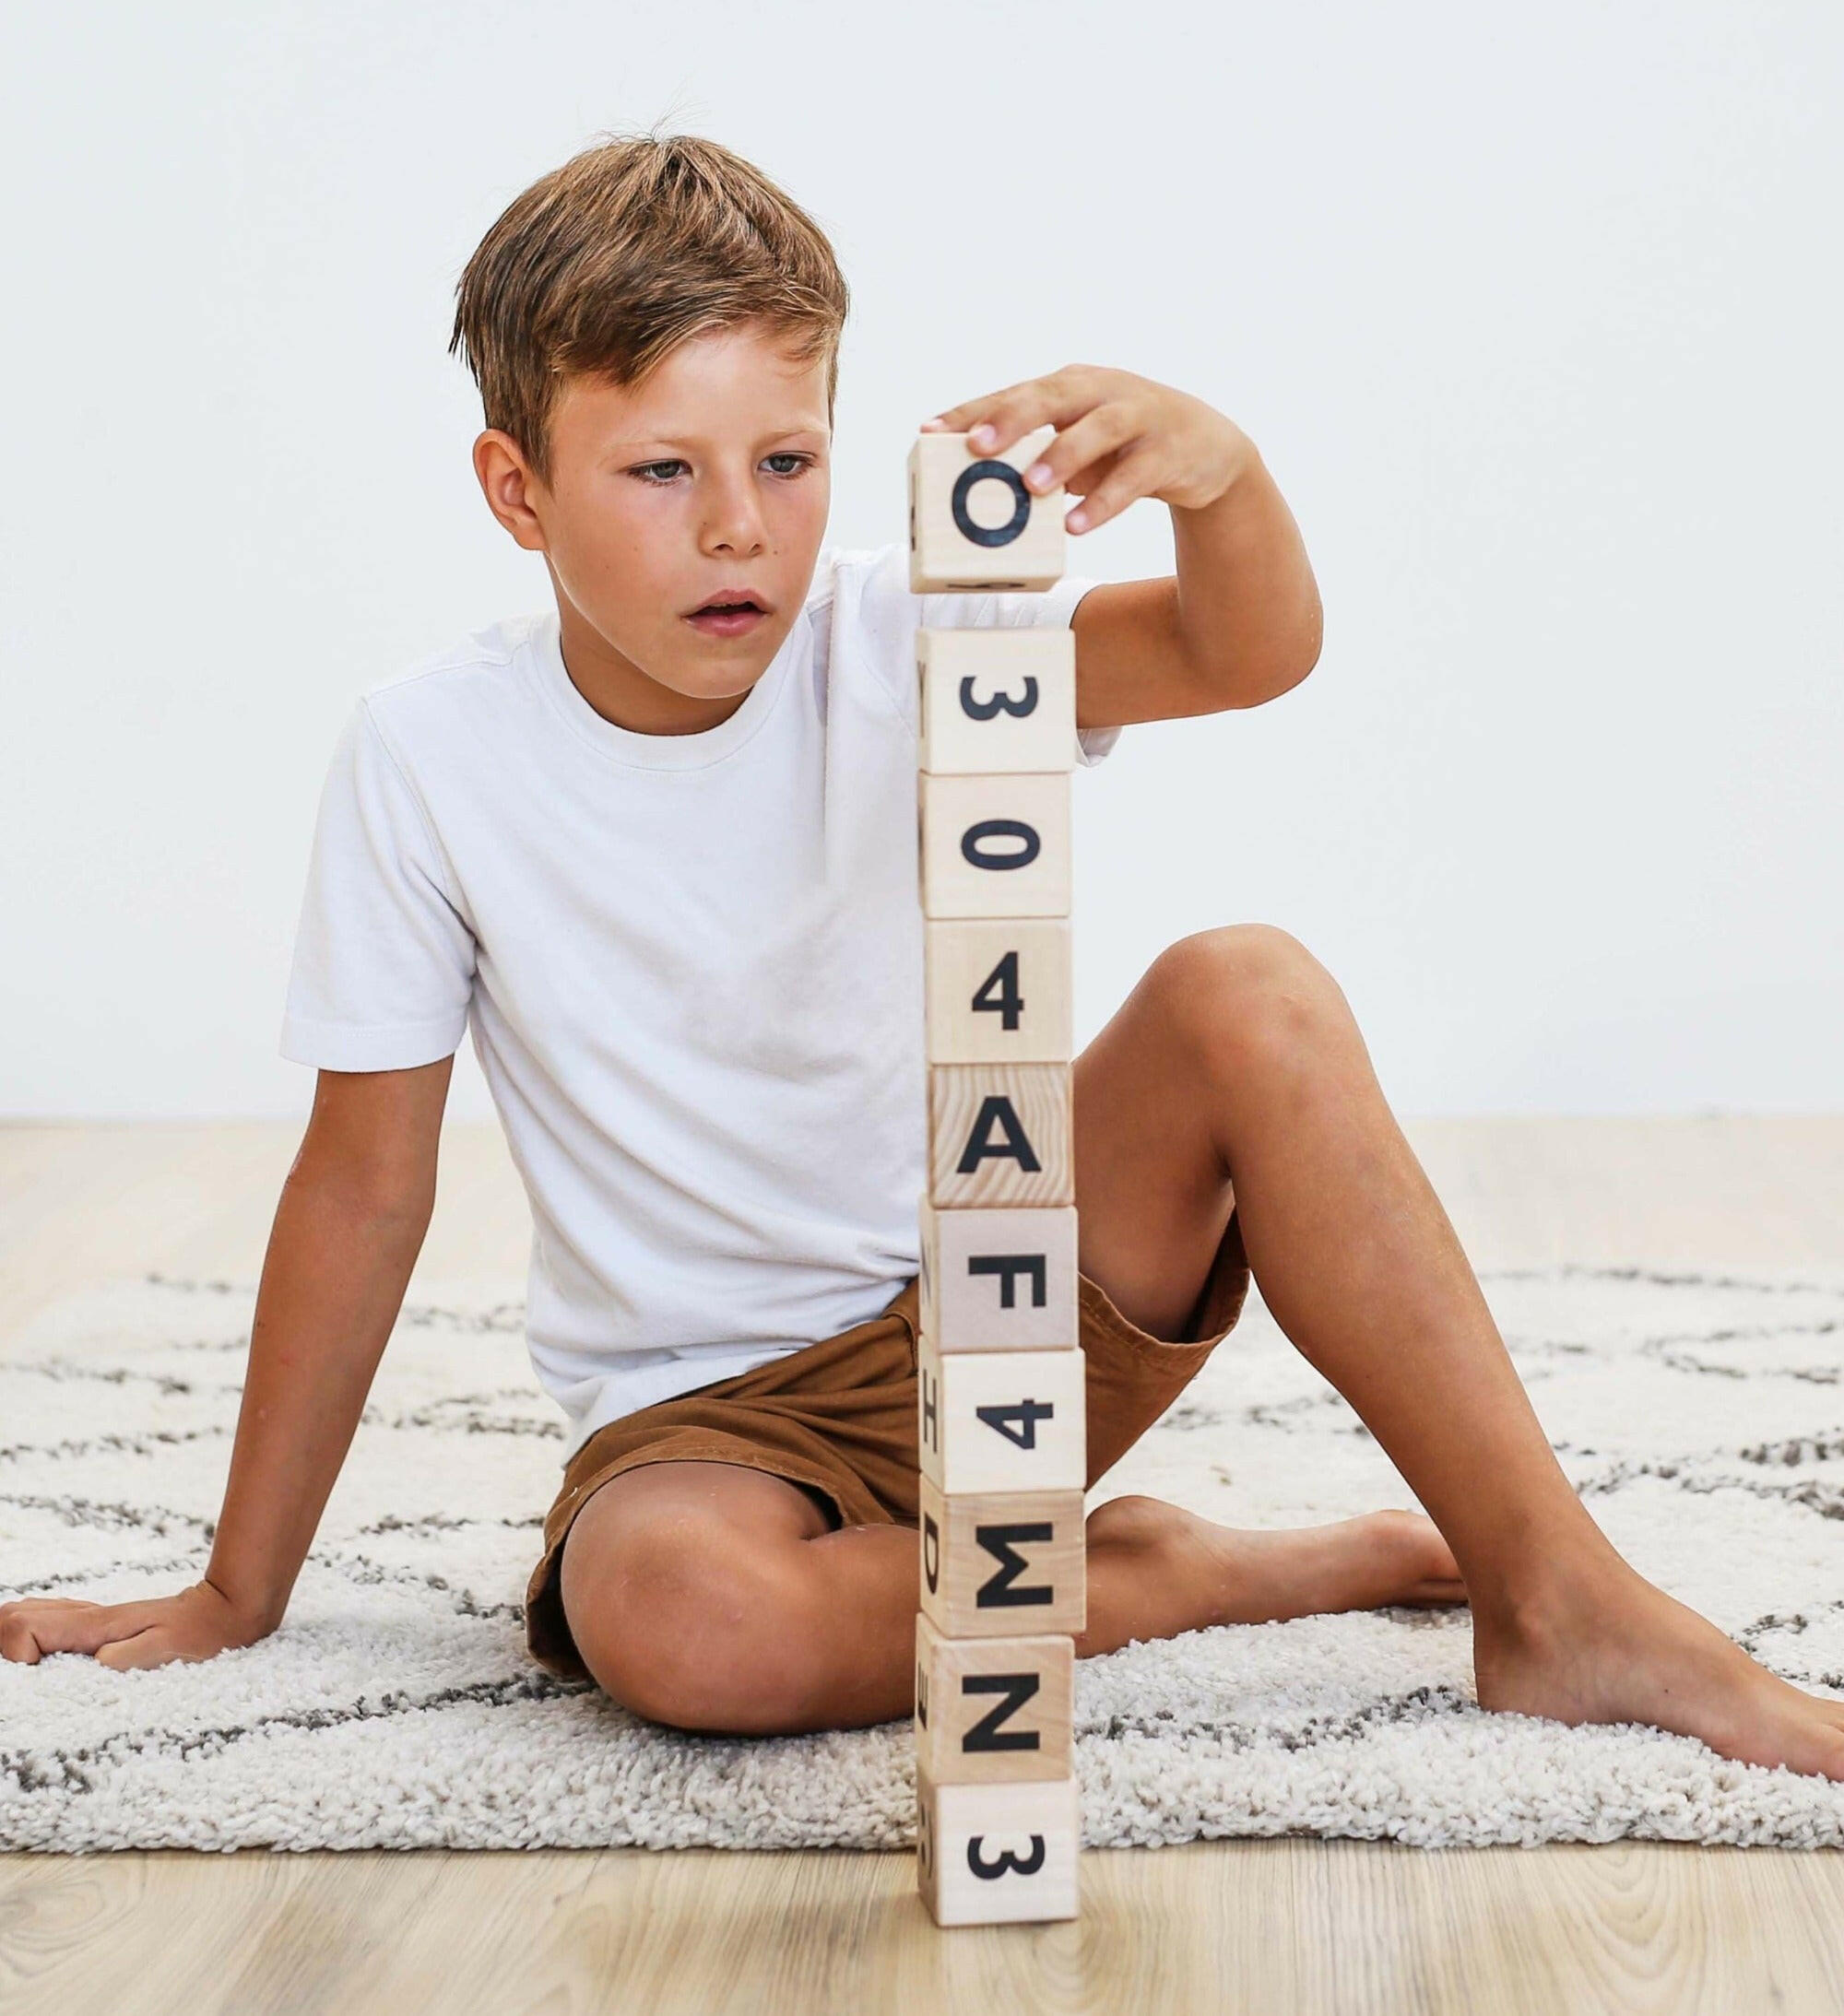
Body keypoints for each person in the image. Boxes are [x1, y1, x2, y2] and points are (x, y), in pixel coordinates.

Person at [4, 136, 1840, 1785]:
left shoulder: (913, 632)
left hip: (1020, 1301)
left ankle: (1561, 1597)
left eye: (785, 460)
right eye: (660, 469)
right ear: (516, 489)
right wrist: (240, 1586)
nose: (739, 524)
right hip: (710, 1425)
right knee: (674, 1624)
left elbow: (1240, 653)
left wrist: (1223, 476)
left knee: (1247, 985)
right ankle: (1157, 1574)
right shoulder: (425, 756)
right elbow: (362, 1181)